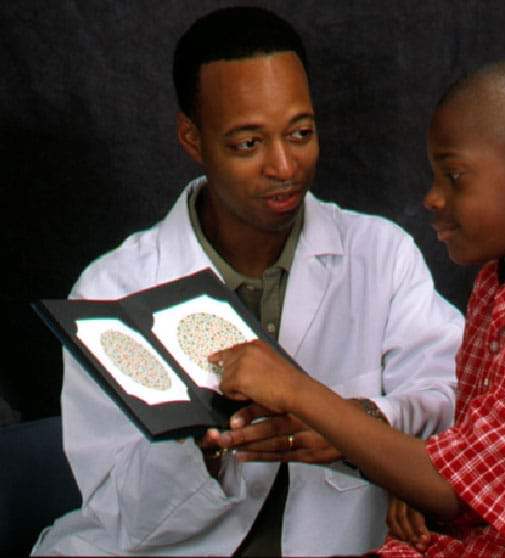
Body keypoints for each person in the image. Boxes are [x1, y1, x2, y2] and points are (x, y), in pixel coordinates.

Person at [31, 6, 463, 557]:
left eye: (300, 133)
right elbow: (118, 514)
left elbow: (456, 398)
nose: (284, 166)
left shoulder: (379, 253)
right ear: (193, 138)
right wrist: (206, 449)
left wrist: (358, 421)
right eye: (248, 144)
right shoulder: (113, 289)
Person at [215, 57, 505, 557]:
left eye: (455, 177)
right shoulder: (499, 283)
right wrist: (420, 474)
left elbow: (453, 491)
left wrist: (296, 390)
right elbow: (479, 451)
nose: (431, 198)